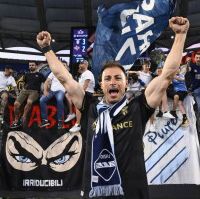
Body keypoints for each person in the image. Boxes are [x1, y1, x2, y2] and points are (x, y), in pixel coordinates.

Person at [36, 16, 189, 198]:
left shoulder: (137, 108)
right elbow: (64, 78)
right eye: (108, 79)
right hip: (95, 192)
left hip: (132, 193)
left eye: (118, 78)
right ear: (101, 85)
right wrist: (47, 49)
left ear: (125, 84)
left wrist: (180, 35)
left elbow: (167, 76)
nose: (113, 82)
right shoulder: (89, 107)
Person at [11, 61, 45, 129]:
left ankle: (23, 117)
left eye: (32, 65)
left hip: (35, 92)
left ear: (36, 66)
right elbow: (24, 84)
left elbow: (46, 83)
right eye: (30, 65)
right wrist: (22, 89)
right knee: (16, 104)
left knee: (29, 102)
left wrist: (45, 91)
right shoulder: (26, 75)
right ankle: (16, 120)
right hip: (25, 91)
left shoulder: (40, 75)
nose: (31, 66)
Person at [39, 60, 70, 129]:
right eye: (61, 65)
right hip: (52, 91)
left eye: (64, 65)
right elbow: (46, 82)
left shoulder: (68, 74)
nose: (62, 66)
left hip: (60, 91)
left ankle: (60, 121)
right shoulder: (54, 73)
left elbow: (70, 85)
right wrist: (45, 91)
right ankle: (45, 120)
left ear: (66, 66)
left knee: (59, 100)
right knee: (42, 100)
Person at [69, 60, 95, 133]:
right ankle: (71, 114)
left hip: (87, 93)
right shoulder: (82, 74)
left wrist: (80, 95)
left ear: (86, 65)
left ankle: (77, 124)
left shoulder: (88, 73)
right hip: (83, 93)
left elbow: (85, 85)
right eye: (79, 64)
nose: (80, 65)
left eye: (82, 63)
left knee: (78, 105)